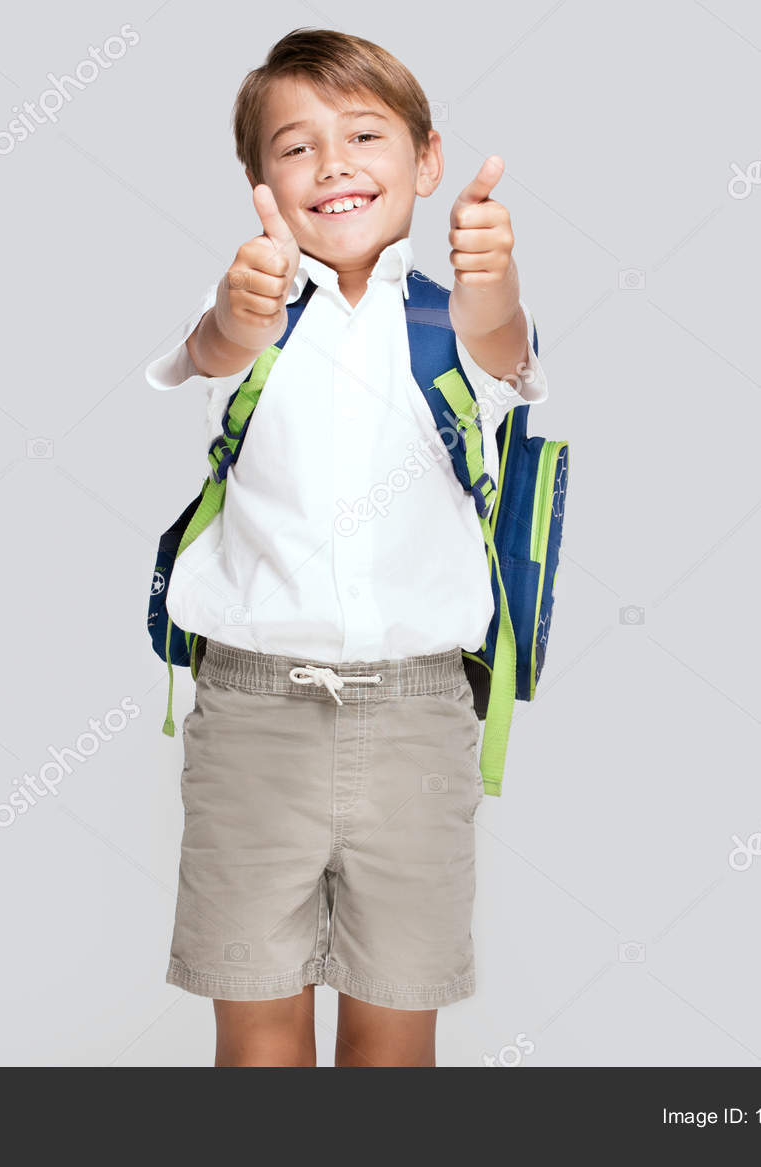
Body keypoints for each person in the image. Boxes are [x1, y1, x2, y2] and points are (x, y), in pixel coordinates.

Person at [144, 27, 550, 1067]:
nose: (332, 163)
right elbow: (205, 352)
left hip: (418, 716)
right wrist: (237, 311)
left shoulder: (453, 316)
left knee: (392, 1025)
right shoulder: (256, 306)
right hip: (253, 715)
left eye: (364, 133)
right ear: (259, 183)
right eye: (296, 145)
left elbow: (506, 345)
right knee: (258, 1025)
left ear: (425, 160)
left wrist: (492, 279)